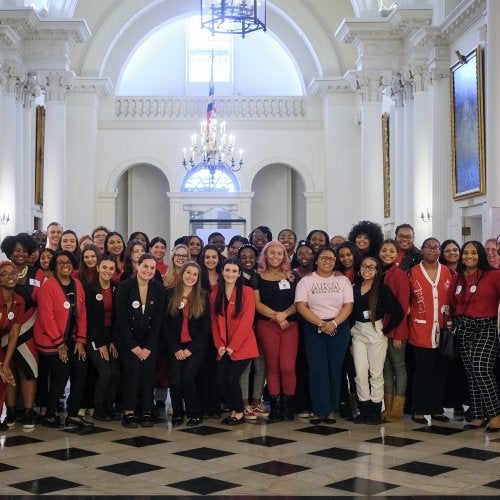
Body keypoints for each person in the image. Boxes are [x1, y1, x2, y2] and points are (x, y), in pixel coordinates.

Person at [295, 246, 353, 424]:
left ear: (335, 262)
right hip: (314, 328)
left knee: (334, 369)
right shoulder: (306, 281)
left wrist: (334, 323)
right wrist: (321, 323)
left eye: (331, 258)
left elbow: (348, 306)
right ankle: (319, 409)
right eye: (324, 258)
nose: (327, 261)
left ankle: (331, 409)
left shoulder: (342, 281)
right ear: (317, 260)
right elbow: (301, 306)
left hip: (339, 327)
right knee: (317, 369)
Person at [34, 250, 91, 429]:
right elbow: (46, 317)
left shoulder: (77, 284)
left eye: (67, 262)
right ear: (54, 266)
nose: (64, 265)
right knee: (62, 373)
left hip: (72, 338)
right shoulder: (48, 286)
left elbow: (82, 314)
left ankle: (73, 415)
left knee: (81, 369)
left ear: (73, 264)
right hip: (50, 339)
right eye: (60, 262)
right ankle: (49, 415)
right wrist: (59, 343)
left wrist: (81, 340)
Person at [449, 241, 500, 431]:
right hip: (463, 326)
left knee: (481, 369)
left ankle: (496, 414)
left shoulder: (493, 275)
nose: (469, 256)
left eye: (473, 252)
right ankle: (478, 415)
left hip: (486, 326)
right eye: (465, 253)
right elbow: (452, 302)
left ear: (481, 254)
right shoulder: (458, 277)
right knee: (471, 373)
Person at [350, 256, 404, 424]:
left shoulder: (382, 289)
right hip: (357, 332)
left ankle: (374, 411)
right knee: (360, 372)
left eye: (372, 267)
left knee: (376, 373)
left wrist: (385, 331)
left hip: (375, 332)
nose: (367, 270)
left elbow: (398, 312)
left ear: (377, 271)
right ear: (360, 269)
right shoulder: (353, 288)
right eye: (365, 266)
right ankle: (363, 409)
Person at [114, 253, 165, 428]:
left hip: (149, 343)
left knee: (148, 373)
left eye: (152, 268)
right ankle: (128, 412)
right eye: (145, 266)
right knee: (133, 371)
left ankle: (147, 410)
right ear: (138, 266)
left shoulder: (158, 288)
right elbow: (120, 319)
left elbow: (158, 320)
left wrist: (149, 347)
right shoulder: (125, 287)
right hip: (128, 341)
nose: (148, 270)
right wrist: (133, 346)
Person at [0, 233, 44, 429]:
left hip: (30, 331)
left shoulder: (38, 274)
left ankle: (27, 412)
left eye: (24, 250)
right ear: (10, 251)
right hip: (5, 333)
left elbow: (44, 303)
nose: (20, 254)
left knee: (29, 371)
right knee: (9, 371)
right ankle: (11, 411)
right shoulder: (3, 271)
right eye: (16, 250)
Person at [408, 238, 452, 424]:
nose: (432, 250)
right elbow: (407, 300)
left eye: (436, 247)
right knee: (423, 371)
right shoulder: (413, 272)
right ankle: (419, 409)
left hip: (443, 330)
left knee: (440, 371)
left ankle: (436, 409)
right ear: (422, 250)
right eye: (428, 247)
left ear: (440, 250)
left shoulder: (447, 272)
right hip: (421, 328)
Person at [253, 241, 298, 421]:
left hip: (290, 326)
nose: (275, 256)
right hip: (267, 326)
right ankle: (276, 407)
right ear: (265, 255)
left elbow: (300, 301)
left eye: (279, 253)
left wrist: (285, 315)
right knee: (272, 367)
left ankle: (288, 407)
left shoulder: (292, 277)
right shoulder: (257, 277)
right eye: (271, 253)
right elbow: (257, 304)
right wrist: (277, 316)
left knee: (287, 366)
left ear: (284, 256)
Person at [211, 258, 258, 425]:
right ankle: (233, 409)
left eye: (234, 271)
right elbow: (215, 323)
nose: (230, 274)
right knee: (220, 381)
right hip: (223, 347)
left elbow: (246, 323)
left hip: (243, 346)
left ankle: (239, 413)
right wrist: (220, 346)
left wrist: (233, 346)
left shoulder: (246, 292)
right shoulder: (215, 293)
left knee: (231, 379)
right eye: (227, 270)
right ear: (222, 272)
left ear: (239, 274)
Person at [164, 262, 210, 427]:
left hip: (195, 347)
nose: (191, 277)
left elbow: (206, 328)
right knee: (175, 380)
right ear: (182, 274)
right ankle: (177, 413)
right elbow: (165, 325)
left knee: (188, 378)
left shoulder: (203, 296)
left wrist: (190, 350)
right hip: (175, 346)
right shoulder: (169, 294)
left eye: (195, 274)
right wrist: (176, 348)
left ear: (198, 278)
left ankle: (194, 413)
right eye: (188, 273)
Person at [84, 253, 121, 421]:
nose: (107, 271)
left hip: (112, 336)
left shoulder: (117, 288)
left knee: (116, 372)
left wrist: (113, 340)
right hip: (94, 337)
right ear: (97, 268)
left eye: (111, 268)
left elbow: (119, 318)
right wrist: (100, 344)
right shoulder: (89, 289)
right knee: (105, 372)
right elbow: (89, 320)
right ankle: (98, 407)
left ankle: (108, 405)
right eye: (104, 267)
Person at [379, 239, 410, 422]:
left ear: (397, 254)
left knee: (399, 368)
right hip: (380, 330)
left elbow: (403, 306)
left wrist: (399, 334)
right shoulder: (377, 271)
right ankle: (387, 408)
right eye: (384, 250)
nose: (387, 254)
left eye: (391, 251)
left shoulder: (399, 275)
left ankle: (397, 410)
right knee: (386, 370)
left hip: (395, 330)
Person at [0, 261, 24, 430]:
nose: (10, 276)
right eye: (5, 274)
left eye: (13, 273)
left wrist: (6, 364)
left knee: (3, 378)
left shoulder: (19, 301)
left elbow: (14, 334)